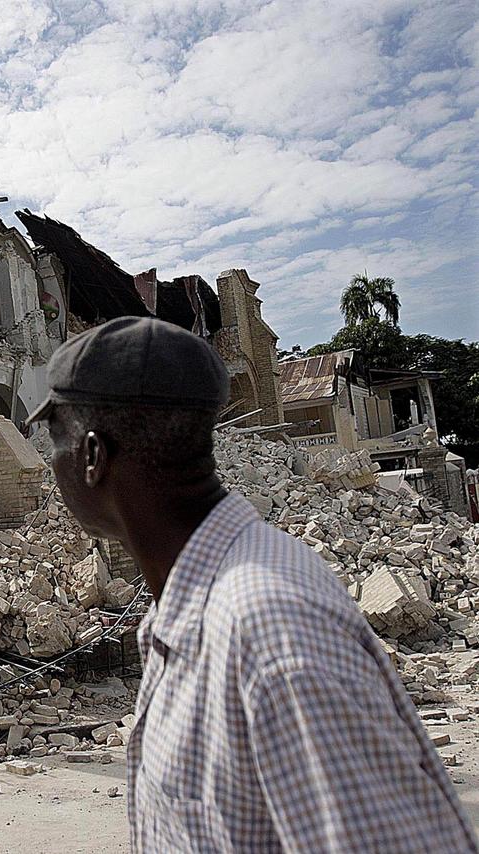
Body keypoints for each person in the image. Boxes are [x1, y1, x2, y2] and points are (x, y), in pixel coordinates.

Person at [28, 316, 478, 853]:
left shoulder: (269, 632)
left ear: (93, 456)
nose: (48, 458)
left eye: (56, 436)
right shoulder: (201, 606)